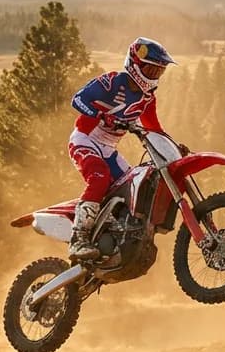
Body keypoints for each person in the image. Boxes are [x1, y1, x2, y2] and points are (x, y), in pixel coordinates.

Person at [66, 36, 176, 262]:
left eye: (159, 72)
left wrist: (172, 145)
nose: (154, 75)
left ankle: (115, 232)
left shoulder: (146, 98)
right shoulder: (112, 82)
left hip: (108, 150)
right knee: (99, 177)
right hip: (85, 141)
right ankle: (79, 239)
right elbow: (78, 100)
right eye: (150, 69)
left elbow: (153, 128)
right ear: (135, 63)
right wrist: (100, 114)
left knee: (134, 186)